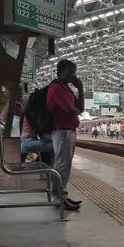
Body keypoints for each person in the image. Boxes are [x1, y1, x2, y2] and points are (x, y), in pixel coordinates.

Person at [46, 59, 84, 211]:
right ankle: (59, 198)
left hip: (68, 131)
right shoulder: (56, 88)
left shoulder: (67, 89)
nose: (72, 76)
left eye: (74, 73)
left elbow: (79, 108)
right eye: (69, 72)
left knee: (65, 165)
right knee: (62, 165)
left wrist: (80, 89)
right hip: (61, 130)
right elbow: (72, 110)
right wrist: (75, 110)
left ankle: (62, 196)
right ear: (59, 71)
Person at [21, 90, 54, 165]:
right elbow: (42, 132)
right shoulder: (34, 115)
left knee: (53, 145)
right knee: (56, 146)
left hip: (25, 141)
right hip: (28, 142)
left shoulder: (27, 112)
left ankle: (40, 163)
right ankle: (41, 165)